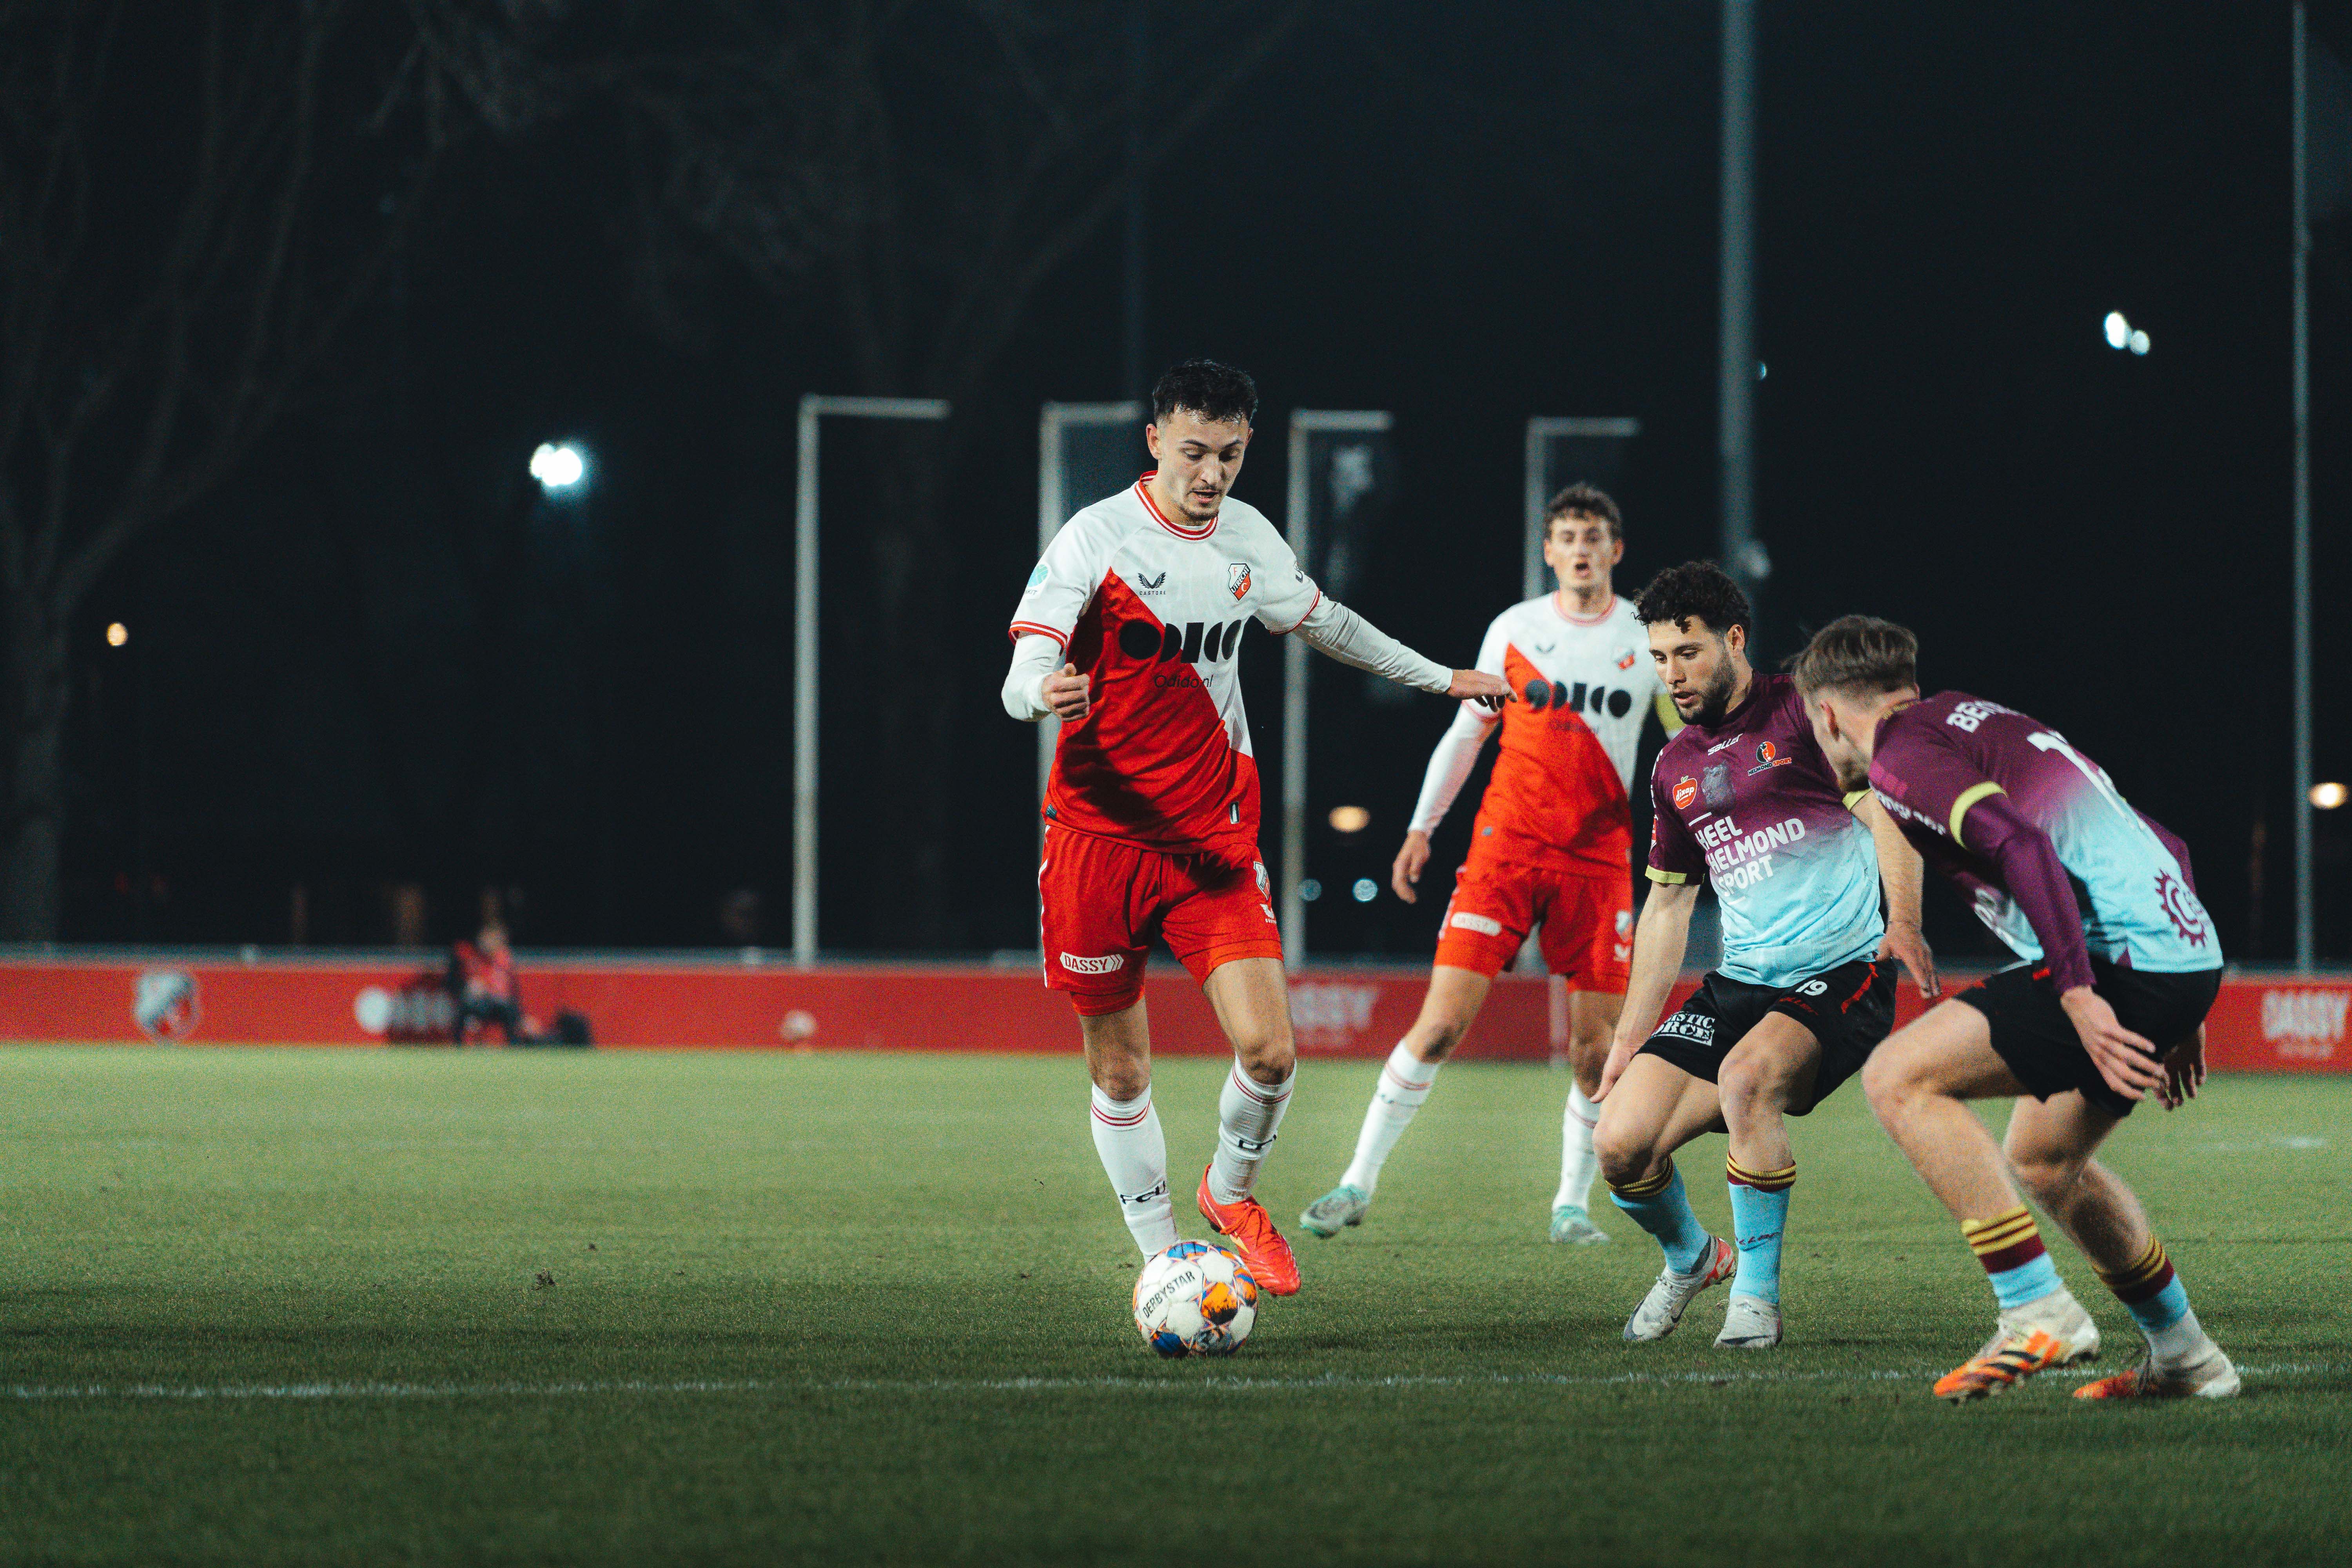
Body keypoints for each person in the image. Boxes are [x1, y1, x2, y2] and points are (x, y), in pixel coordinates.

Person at [1002, 359, 1508, 1295]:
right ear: (1155, 441)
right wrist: (1042, 688)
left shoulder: (1248, 537)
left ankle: (1229, 1196)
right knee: (1119, 1071)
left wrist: (1442, 677)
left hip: (1212, 844)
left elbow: (1332, 624)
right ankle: (1166, 1262)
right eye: (1193, 452)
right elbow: (1022, 664)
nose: (1210, 474)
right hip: (1097, 841)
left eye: (1229, 455)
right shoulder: (1094, 537)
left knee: (1272, 1051)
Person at [1793, 615, 2234, 1402]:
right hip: (2179, 950)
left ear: (1827, 713)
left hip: (2116, 962)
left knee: (1898, 1075)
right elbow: (2164, 839)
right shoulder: (1977, 716)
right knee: (2044, 1158)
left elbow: (2023, 847)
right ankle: (2188, 1356)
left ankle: (2037, 1307)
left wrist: (2079, 992)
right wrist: (2185, 993)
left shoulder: (1900, 757)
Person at [1298, 483, 1679, 1247]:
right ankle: (1357, 1179)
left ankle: (1571, 1203)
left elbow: (1683, 740)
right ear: (1549, 550)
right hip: (1504, 851)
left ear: (1616, 550)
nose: (1579, 547)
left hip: (1598, 861)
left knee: (1595, 1049)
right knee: (1439, 1024)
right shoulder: (1516, 628)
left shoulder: (1647, 636)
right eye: (1567, 534)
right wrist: (1420, 828)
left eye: (1593, 535)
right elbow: (1467, 735)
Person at [1590, 562, 1935, 1349]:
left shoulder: (1806, 714)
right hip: (1738, 986)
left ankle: (1757, 1298)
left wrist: (1905, 919)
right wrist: (1625, 1042)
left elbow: (1885, 814)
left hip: (1842, 977)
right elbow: (1670, 905)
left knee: (1748, 1081)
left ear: (1735, 639)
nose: (1672, 674)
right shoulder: (1674, 766)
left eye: (1688, 652)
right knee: (1619, 1144)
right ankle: (1691, 1256)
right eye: (1659, 659)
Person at [448, 919, 530, 1045]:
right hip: (477, 1002)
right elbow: (455, 983)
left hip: (498, 1003)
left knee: (509, 1009)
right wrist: (468, 988)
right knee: (466, 1007)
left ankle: (515, 1044)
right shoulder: (469, 955)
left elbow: (512, 991)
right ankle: (458, 1044)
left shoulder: (503, 958)